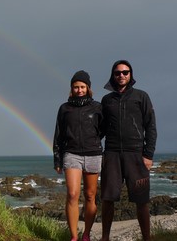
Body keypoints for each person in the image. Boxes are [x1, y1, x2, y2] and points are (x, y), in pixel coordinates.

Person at [100, 60, 157, 241]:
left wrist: (148, 155)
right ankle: (105, 237)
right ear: (113, 75)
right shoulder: (106, 100)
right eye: (118, 73)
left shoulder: (141, 96)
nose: (121, 75)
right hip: (112, 154)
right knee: (108, 199)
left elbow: (151, 126)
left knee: (141, 200)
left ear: (131, 74)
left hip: (136, 155)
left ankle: (146, 238)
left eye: (125, 72)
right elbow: (100, 129)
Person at [53, 70, 103, 241]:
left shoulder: (97, 107)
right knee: (73, 194)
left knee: (90, 195)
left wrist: (94, 141)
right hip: (71, 154)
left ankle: (87, 234)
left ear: (88, 88)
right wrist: (57, 159)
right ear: (71, 88)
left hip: (93, 154)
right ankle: (74, 236)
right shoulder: (64, 108)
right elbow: (58, 134)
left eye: (82, 87)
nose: (79, 90)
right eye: (76, 87)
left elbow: (102, 130)